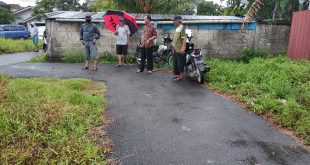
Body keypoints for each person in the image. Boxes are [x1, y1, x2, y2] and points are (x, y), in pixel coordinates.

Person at [172, 15, 187, 81]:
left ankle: (181, 77)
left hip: (180, 49)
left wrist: (183, 48)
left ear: (178, 21)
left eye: (174, 20)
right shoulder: (177, 28)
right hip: (176, 49)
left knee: (180, 64)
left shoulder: (182, 28)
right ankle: (178, 76)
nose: (173, 22)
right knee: (176, 63)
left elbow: (184, 39)